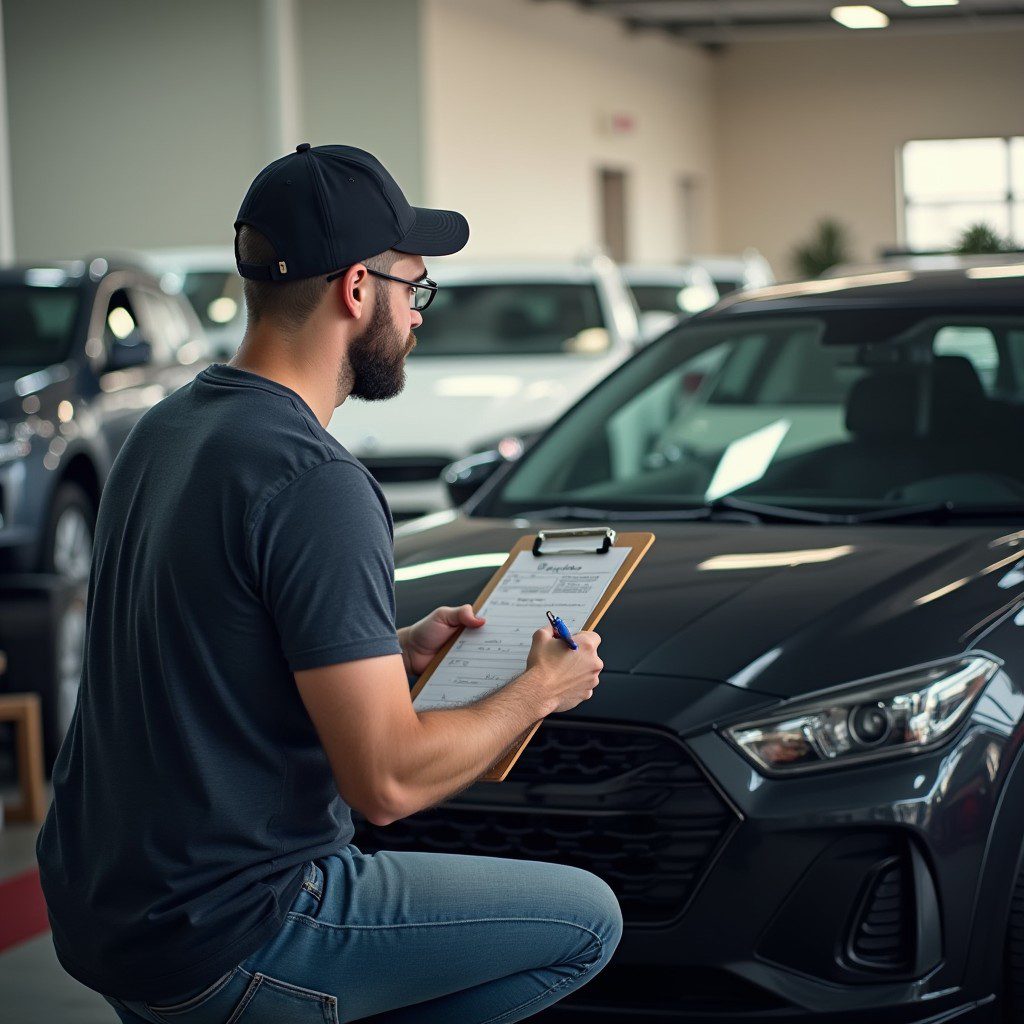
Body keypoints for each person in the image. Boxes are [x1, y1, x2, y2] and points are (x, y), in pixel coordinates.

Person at [36, 143, 622, 1024]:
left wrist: (387, 649)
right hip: (239, 925)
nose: (418, 316)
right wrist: (540, 690)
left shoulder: (169, 429)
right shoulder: (315, 480)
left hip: (106, 912)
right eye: (413, 288)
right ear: (357, 290)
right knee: (589, 920)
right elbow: (386, 782)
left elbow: (204, 645)